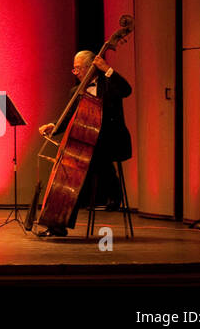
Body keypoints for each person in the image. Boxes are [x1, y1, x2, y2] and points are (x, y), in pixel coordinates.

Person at [35, 49, 133, 237]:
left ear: (91, 68)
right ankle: (59, 222)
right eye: (74, 69)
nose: (76, 72)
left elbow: (126, 90)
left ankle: (111, 190)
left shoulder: (109, 83)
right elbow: (69, 117)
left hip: (111, 140)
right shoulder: (76, 91)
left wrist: (107, 69)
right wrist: (53, 127)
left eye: (78, 68)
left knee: (85, 165)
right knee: (75, 170)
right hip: (89, 145)